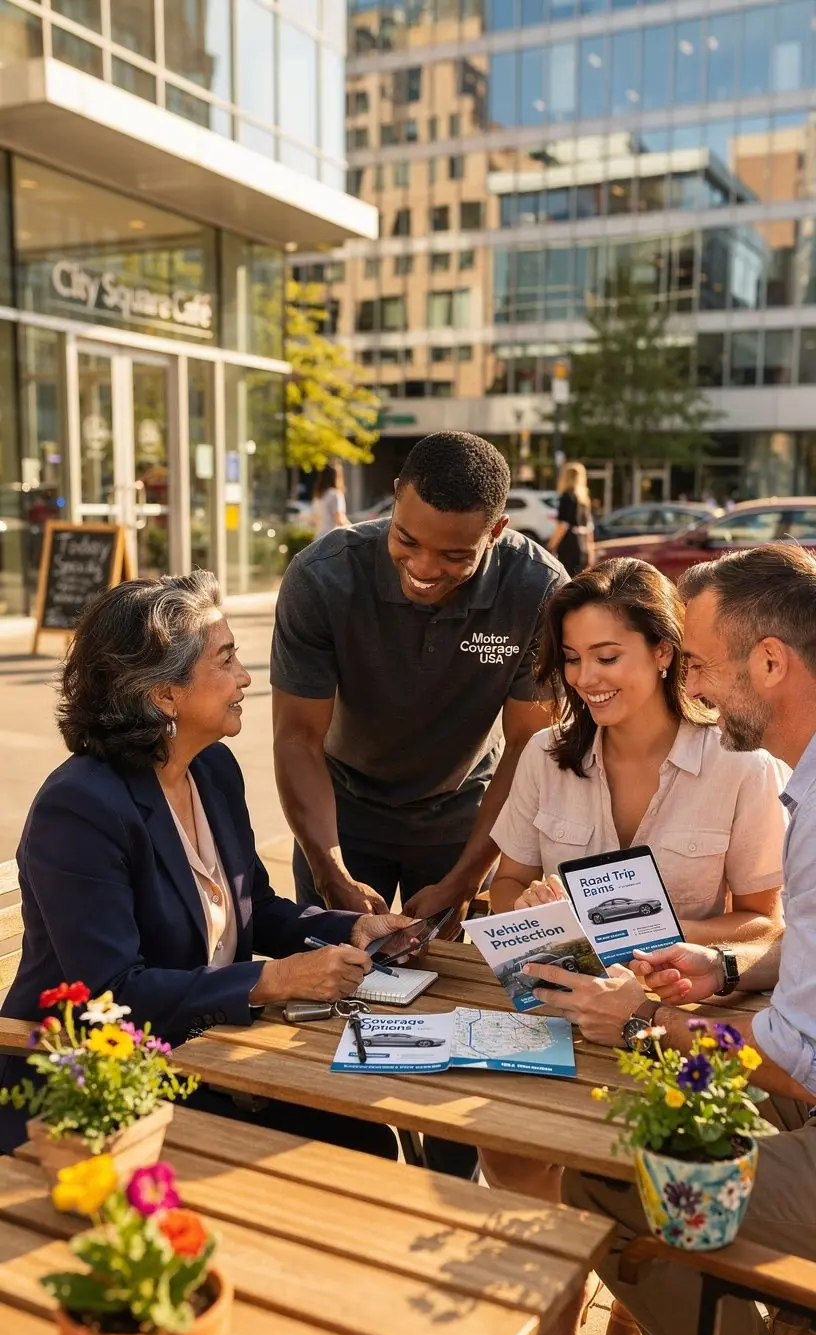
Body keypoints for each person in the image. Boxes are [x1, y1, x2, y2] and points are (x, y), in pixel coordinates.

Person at [484, 557, 787, 1335]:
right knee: (508, 1146)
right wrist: (537, 904)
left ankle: (630, 1328)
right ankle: (575, 1276)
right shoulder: (548, 751)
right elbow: (504, 888)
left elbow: (763, 923)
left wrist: (656, 939)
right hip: (562, 1004)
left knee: (634, 1165)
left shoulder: (739, 760)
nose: (586, 678)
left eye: (607, 655)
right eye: (573, 659)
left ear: (664, 652)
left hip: (677, 1017)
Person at [0, 572, 412, 1160]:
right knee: (346, 1150)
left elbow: (256, 908)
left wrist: (347, 928)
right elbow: (112, 993)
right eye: (226, 661)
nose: (246, 678)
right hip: (95, 1089)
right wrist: (275, 980)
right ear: (163, 695)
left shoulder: (212, 769)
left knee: (366, 1135)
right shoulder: (81, 808)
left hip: (200, 1055)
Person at [271, 430, 566, 1178]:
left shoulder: (538, 589)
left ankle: (446, 1175)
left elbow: (530, 748)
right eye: (408, 541)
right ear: (392, 501)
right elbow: (298, 739)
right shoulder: (323, 577)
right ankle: (348, 1169)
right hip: (340, 816)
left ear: (497, 532)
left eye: (455, 556)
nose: (425, 569)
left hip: (463, 819)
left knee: (456, 1009)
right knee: (335, 1002)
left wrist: (470, 875)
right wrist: (328, 870)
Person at [547, 462, 595, 578]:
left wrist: (550, 546)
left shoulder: (567, 497)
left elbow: (563, 525)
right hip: (582, 545)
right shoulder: (584, 500)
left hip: (569, 546)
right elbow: (589, 528)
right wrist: (591, 551)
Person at [312, 464, 349, 539]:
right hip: (332, 538)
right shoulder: (335, 494)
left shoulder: (318, 496)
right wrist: (354, 528)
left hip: (319, 538)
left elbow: (315, 519)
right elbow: (339, 519)